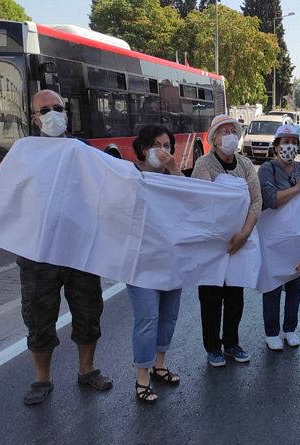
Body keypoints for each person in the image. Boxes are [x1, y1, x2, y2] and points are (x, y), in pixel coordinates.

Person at [19, 90, 112, 405]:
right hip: (38, 252)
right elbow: (7, 196)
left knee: (88, 312)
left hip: (80, 250)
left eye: (57, 108)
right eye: (44, 110)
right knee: (38, 316)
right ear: (34, 118)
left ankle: (87, 370)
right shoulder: (24, 152)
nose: (52, 114)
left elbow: (110, 185)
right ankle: (41, 379)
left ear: (67, 113)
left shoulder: (83, 150)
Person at [192, 115, 261, 367]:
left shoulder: (245, 164)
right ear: (214, 137)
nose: (230, 134)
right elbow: (202, 201)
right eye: (225, 131)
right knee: (210, 296)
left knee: (235, 295)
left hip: (240, 241)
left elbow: (256, 201)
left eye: (234, 130)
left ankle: (232, 343)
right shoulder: (204, 164)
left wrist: (244, 233)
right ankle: (213, 346)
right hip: (212, 243)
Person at [127, 125, 185, 403]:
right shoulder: (129, 175)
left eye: (168, 146)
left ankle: (160, 364)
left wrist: (174, 169)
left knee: (168, 315)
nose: (163, 151)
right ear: (142, 148)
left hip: (171, 259)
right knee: (147, 318)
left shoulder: (173, 176)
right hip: (141, 262)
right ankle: (142, 377)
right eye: (157, 145)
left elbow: (191, 203)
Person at [258, 124, 300, 351]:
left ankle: (290, 329)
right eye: (285, 142)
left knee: (294, 285)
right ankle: (272, 332)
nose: (289, 146)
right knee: (272, 285)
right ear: (276, 146)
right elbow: (271, 199)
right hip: (273, 239)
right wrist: (298, 189)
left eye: (293, 141)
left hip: (297, 239)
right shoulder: (267, 169)